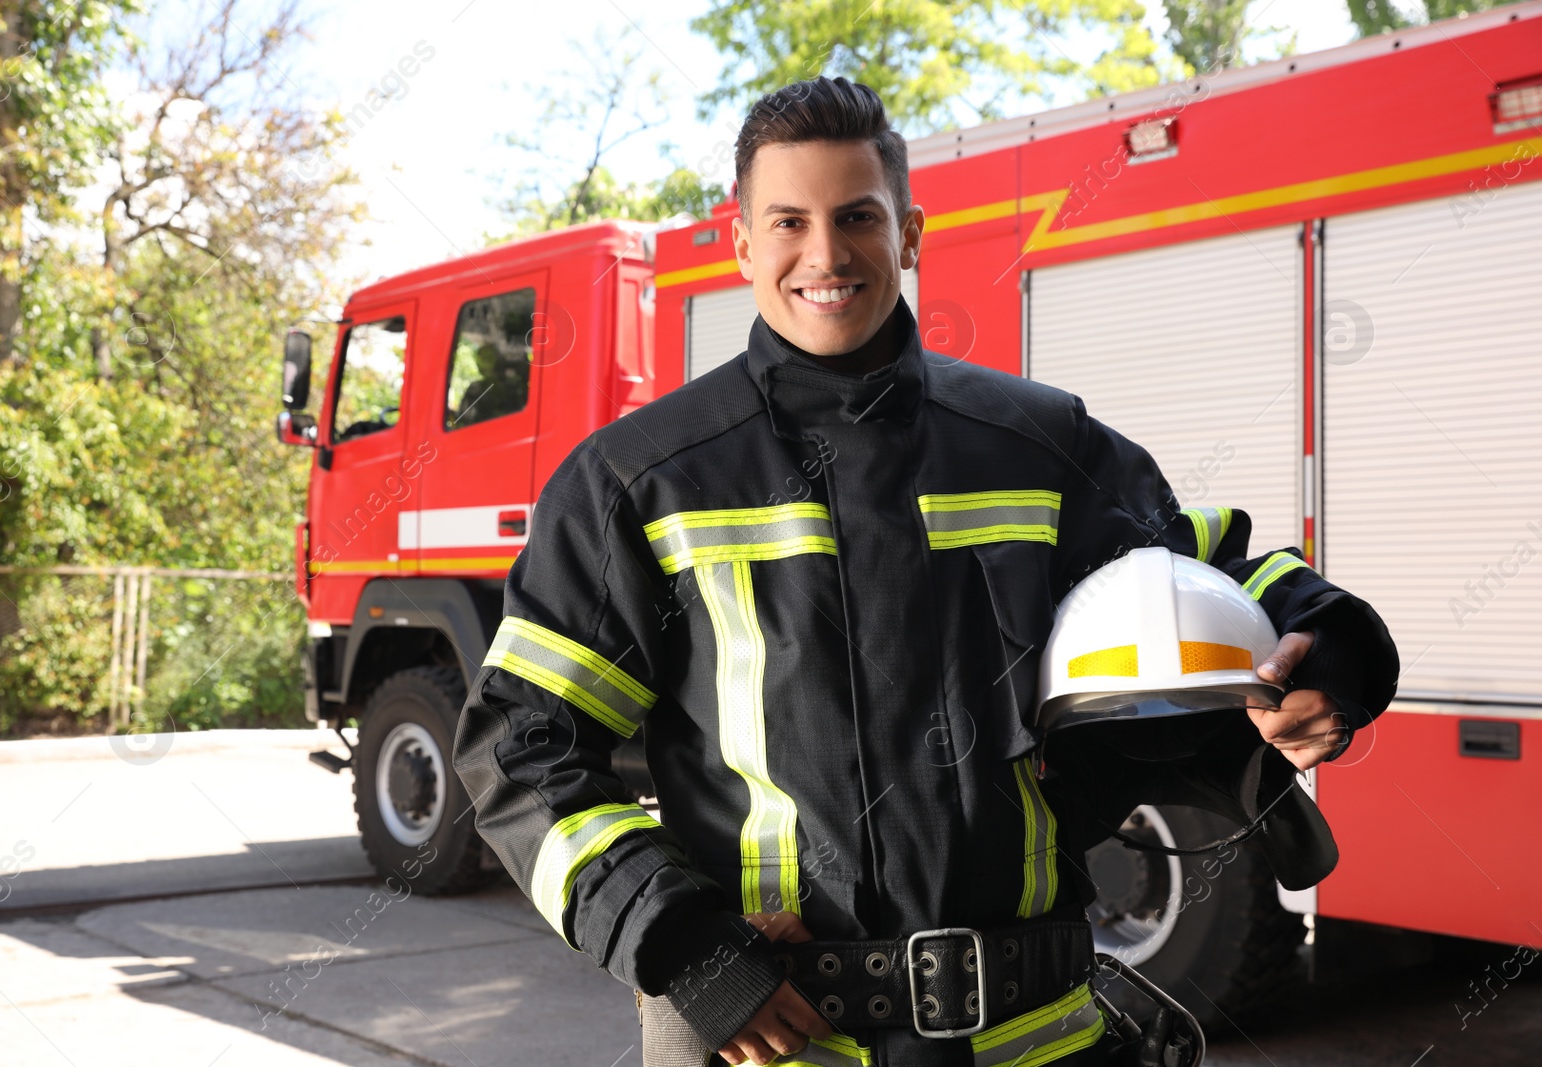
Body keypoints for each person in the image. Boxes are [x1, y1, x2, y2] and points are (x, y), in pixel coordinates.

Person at [452, 76, 1396, 1067]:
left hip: (1038, 1041)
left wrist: (1331, 647)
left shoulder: (1039, 444)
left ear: (907, 232)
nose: (825, 253)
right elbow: (519, 749)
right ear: (740, 245)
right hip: (780, 1042)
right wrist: (682, 943)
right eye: (789, 221)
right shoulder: (637, 481)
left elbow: (1204, 567)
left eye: (857, 216)